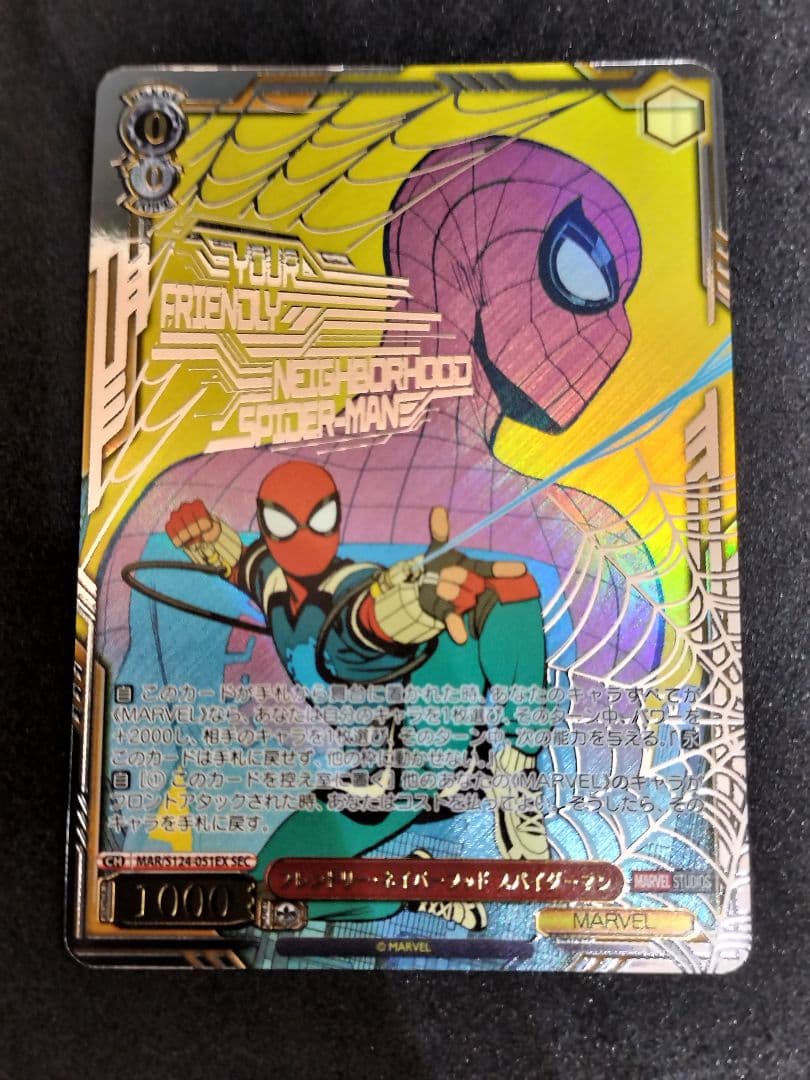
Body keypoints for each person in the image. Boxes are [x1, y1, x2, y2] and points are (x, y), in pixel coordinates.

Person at [167, 459, 551, 930]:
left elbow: (370, 619)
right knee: (260, 893)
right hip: (384, 788)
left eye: (318, 519)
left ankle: (518, 769)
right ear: (266, 526)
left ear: (335, 518)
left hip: (437, 756)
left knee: (509, 587)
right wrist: (207, 536)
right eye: (284, 524)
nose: (303, 536)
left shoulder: (350, 595)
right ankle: (412, 885)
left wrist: (419, 603)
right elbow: (245, 564)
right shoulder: (275, 581)